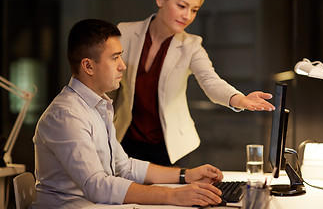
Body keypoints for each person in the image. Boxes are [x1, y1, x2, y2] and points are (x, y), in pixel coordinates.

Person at [32, 18, 224, 208]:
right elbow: (97, 185)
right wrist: (173, 195)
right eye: (115, 57)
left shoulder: (98, 106)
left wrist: (185, 175)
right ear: (88, 66)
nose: (123, 65)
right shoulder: (66, 115)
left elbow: (124, 166)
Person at [109, 0, 275, 166]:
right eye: (181, 6)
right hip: (125, 142)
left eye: (194, 10)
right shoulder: (125, 33)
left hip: (171, 148)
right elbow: (108, 86)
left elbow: (211, 81)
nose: (187, 16)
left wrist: (238, 99)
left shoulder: (192, 45)